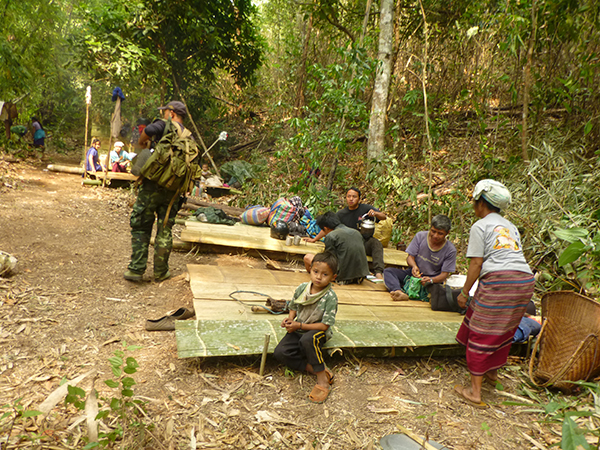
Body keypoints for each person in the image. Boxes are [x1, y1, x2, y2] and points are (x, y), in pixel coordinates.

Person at [454, 179, 535, 408]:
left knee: (483, 330)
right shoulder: (510, 226)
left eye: (474, 202)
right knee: (504, 328)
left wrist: (464, 291)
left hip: (501, 280)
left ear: (481, 203)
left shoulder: (480, 226)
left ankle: (474, 392)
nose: (473, 206)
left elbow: (476, 264)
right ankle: (491, 374)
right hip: (524, 280)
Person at [124, 101, 190, 283]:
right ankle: (161, 272)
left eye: (165, 112)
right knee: (165, 229)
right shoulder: (188, 137)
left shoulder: (163, 125)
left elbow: (144, 135)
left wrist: (143, 143)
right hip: (173, 190)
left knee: (141, 224)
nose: (163, 115)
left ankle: (136, 270)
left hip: (152, 185)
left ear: (171, 113)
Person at [273, 251, 339, 403]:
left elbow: (324, 325)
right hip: (298, 328)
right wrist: (290, 320)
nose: (318, 277)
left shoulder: (330, 297)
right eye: (316, 272)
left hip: (317, 331)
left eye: (325, 274)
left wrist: (300, 325)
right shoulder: (303, 287)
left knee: (307, 340)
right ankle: (316, 368)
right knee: (280, 352)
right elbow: (294, 306)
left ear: (333, 277)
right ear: (310, 270)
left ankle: (322, 380)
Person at [307, 187, 386, 279]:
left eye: (354, 196)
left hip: (365, 241)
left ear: (359, 199)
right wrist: (314, 239)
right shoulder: (341, 214)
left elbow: (384, 217)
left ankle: (378, 272)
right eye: (349, 196)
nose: (351, 199)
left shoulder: (366, 208)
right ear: (346, 198)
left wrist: (375, 214)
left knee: (376, 244)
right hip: (348, 242)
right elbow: (328, 227)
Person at [383, 215, 456, 301]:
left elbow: (444, 275)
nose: (435, 236)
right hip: (414, 275)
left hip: (431, 281)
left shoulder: (450, 250)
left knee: (436, 292)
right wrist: (414, 266)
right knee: (388, 272)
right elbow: (410, 257)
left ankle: (411, 290)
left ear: (447, 233)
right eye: (433, 231)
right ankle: (398, 291)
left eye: (440, 233)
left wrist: (431, 280)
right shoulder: (420, 236)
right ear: (430, 228)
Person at [304, 212, 369, 284]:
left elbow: (328, 260)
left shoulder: (331, 236)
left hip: (342, 276)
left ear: (325, 228)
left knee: (307, 258)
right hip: (361, 276)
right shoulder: (356, 232)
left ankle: (317, 276)